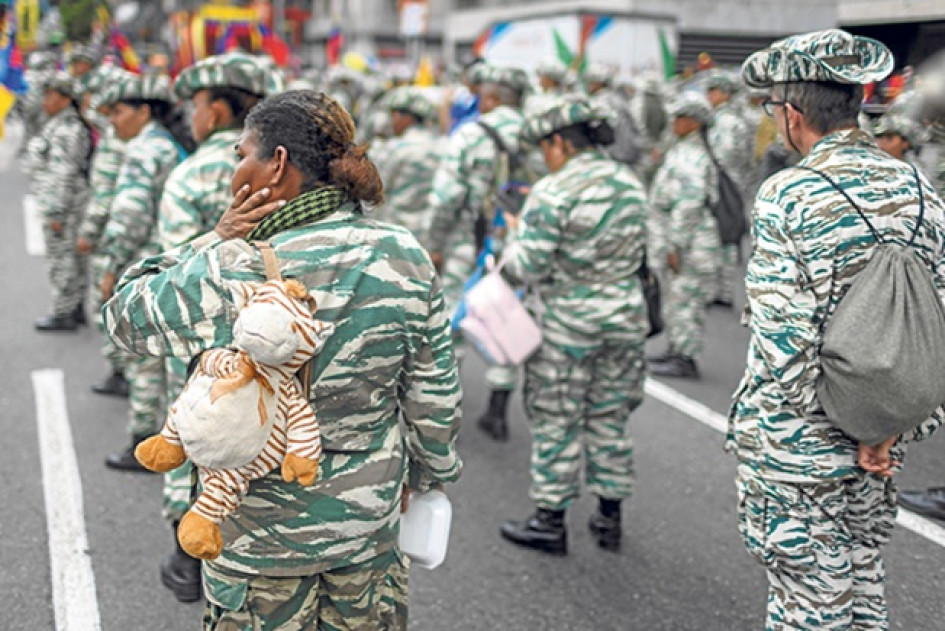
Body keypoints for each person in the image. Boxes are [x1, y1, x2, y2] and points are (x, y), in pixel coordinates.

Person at [103, 90, 462, 629]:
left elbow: (124, 317)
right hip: (366, 529)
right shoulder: (403, 253)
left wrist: (214, 238)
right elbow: (434, 393)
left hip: (260, 541)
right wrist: (430, 475)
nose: (235, 170)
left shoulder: (238, 262)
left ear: (277, 163)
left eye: (242, 154)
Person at [730, 29, 945, 629]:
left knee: (806, 605)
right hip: (881, 437)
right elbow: (933, 324)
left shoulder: (789, 195)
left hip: (802, 446)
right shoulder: (919, 189)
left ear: (793, 114)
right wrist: (883, 427)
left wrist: (841, 426)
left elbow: (783, 339)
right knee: (862, 587)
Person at [156, 52, 282, 604]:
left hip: (201, 339)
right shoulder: (285, 172)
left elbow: (178, 272)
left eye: (198, 105)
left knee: (189, 434)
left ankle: (186, 555)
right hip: (269, 333)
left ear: (218, 110)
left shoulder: (190, 174)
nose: (193, 115)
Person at [498, 97, 648, 555]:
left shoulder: (554, 190)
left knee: (557, 419)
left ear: (560, 142)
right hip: (625, 319)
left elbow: (526, 266)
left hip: (568, 326)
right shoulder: (630, 184)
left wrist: (513, 235)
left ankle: (550, 520)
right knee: (610, 417)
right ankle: (609, 517)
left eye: (546, 147)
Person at [427, 63, 533, 442]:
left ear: (489, 98)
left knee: (451, 319)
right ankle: (497, 409)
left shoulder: (472, 134)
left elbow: (446, 196)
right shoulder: (537, 134)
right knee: (504, 316)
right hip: (519, 242)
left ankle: (444, 407)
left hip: (469, 240)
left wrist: (435, 242)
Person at [98, 74, 190, 472]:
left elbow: (130, 215)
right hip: (176, 264)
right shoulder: (171, 145)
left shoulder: (143, 150)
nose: (113, 120)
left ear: (144, 112)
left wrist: (111, 266)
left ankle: (143, 441)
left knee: (144, 359)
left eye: (119, 111)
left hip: (148, 266)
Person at [647, 91, 719, 379]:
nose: (674, 122)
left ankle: (685, 358)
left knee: (686, 301)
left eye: (681, 118)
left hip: (690, 242)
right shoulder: (683, 150)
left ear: (695, 122)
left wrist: (675, 245)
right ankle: (676, 349)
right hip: (682, 238)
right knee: (676, 300)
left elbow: (689, 205)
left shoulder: (692, 157)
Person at [26, 71, 93, 331]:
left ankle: (64, 312)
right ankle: (74, 308)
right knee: (71, 259)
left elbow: (63, 173)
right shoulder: (59, 124)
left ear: (66, 99)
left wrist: (56, 212)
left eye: (51, 95)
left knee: (62, 259)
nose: (46, 100)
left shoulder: (67, 129)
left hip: (66, 204)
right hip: (68, 202)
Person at [704, 69, 752, 310]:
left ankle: (722, 289)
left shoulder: (724, 121)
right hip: (735, 182)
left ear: (724, 93)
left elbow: (723, 156)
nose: (709, 96)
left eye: (713, 91)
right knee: (727, 236)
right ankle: (723, 288)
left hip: (724, 184)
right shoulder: (736, 118)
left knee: (722, 237)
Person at [373, 86, 441, 249]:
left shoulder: (396, 148)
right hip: (428, 236)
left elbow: (374, 192)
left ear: (407, 117)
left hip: (394, 234)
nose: (391, 121)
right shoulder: (442, 146)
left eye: (394, 115)